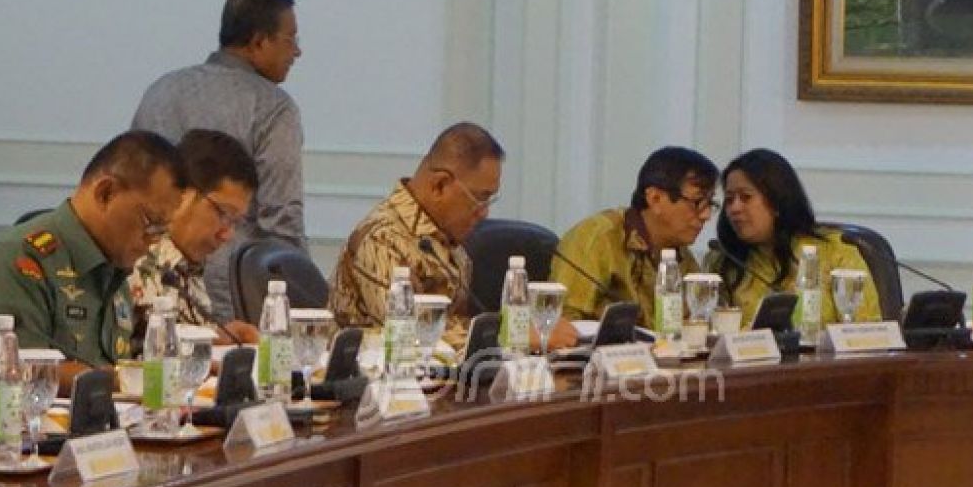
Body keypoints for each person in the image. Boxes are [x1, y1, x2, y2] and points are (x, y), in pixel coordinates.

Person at [131, 0, 305, 322]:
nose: (297, 52)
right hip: (233, 294)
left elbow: (134, 187)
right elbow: (281, 223)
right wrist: (300, 308)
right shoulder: (273, 107)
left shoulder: (162, 89)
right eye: (291, 39)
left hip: (143, 279)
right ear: (258, 41)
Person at [328, 122, 577, 352]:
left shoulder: (447, 238)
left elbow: (456, 325)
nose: (484, 212)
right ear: (439, 186)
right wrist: (513, 334)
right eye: (479, 198)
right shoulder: (381, 239)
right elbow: (412, 333)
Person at [0, 131, 186, 389]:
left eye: (162, 230)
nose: (153, 241)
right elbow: (17, 370)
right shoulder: (19, 259)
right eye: (150, 223)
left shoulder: (115, 264)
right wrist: (130, 381)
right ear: (105, 193)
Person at [706, 148, 880, 327]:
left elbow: (867, 329)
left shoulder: (835, 251)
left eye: (745, 197)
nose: (734, 208)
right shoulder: (723, 261)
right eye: (729, 199)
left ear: (777, 202)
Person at [551, 146, 719, 328]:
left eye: (710, 203)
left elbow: (693, 321)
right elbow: (564, 321)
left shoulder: (680, 253)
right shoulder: (597, 237)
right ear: (655, 199)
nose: (706, 215)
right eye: (698, 202)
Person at [127, 129, 261, 347]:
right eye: (223, 214)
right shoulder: (135, 257)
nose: (227, 235)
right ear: (183, 196)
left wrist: (218, 337)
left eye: (235, 221)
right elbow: (140, 354)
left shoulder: (187, 266)